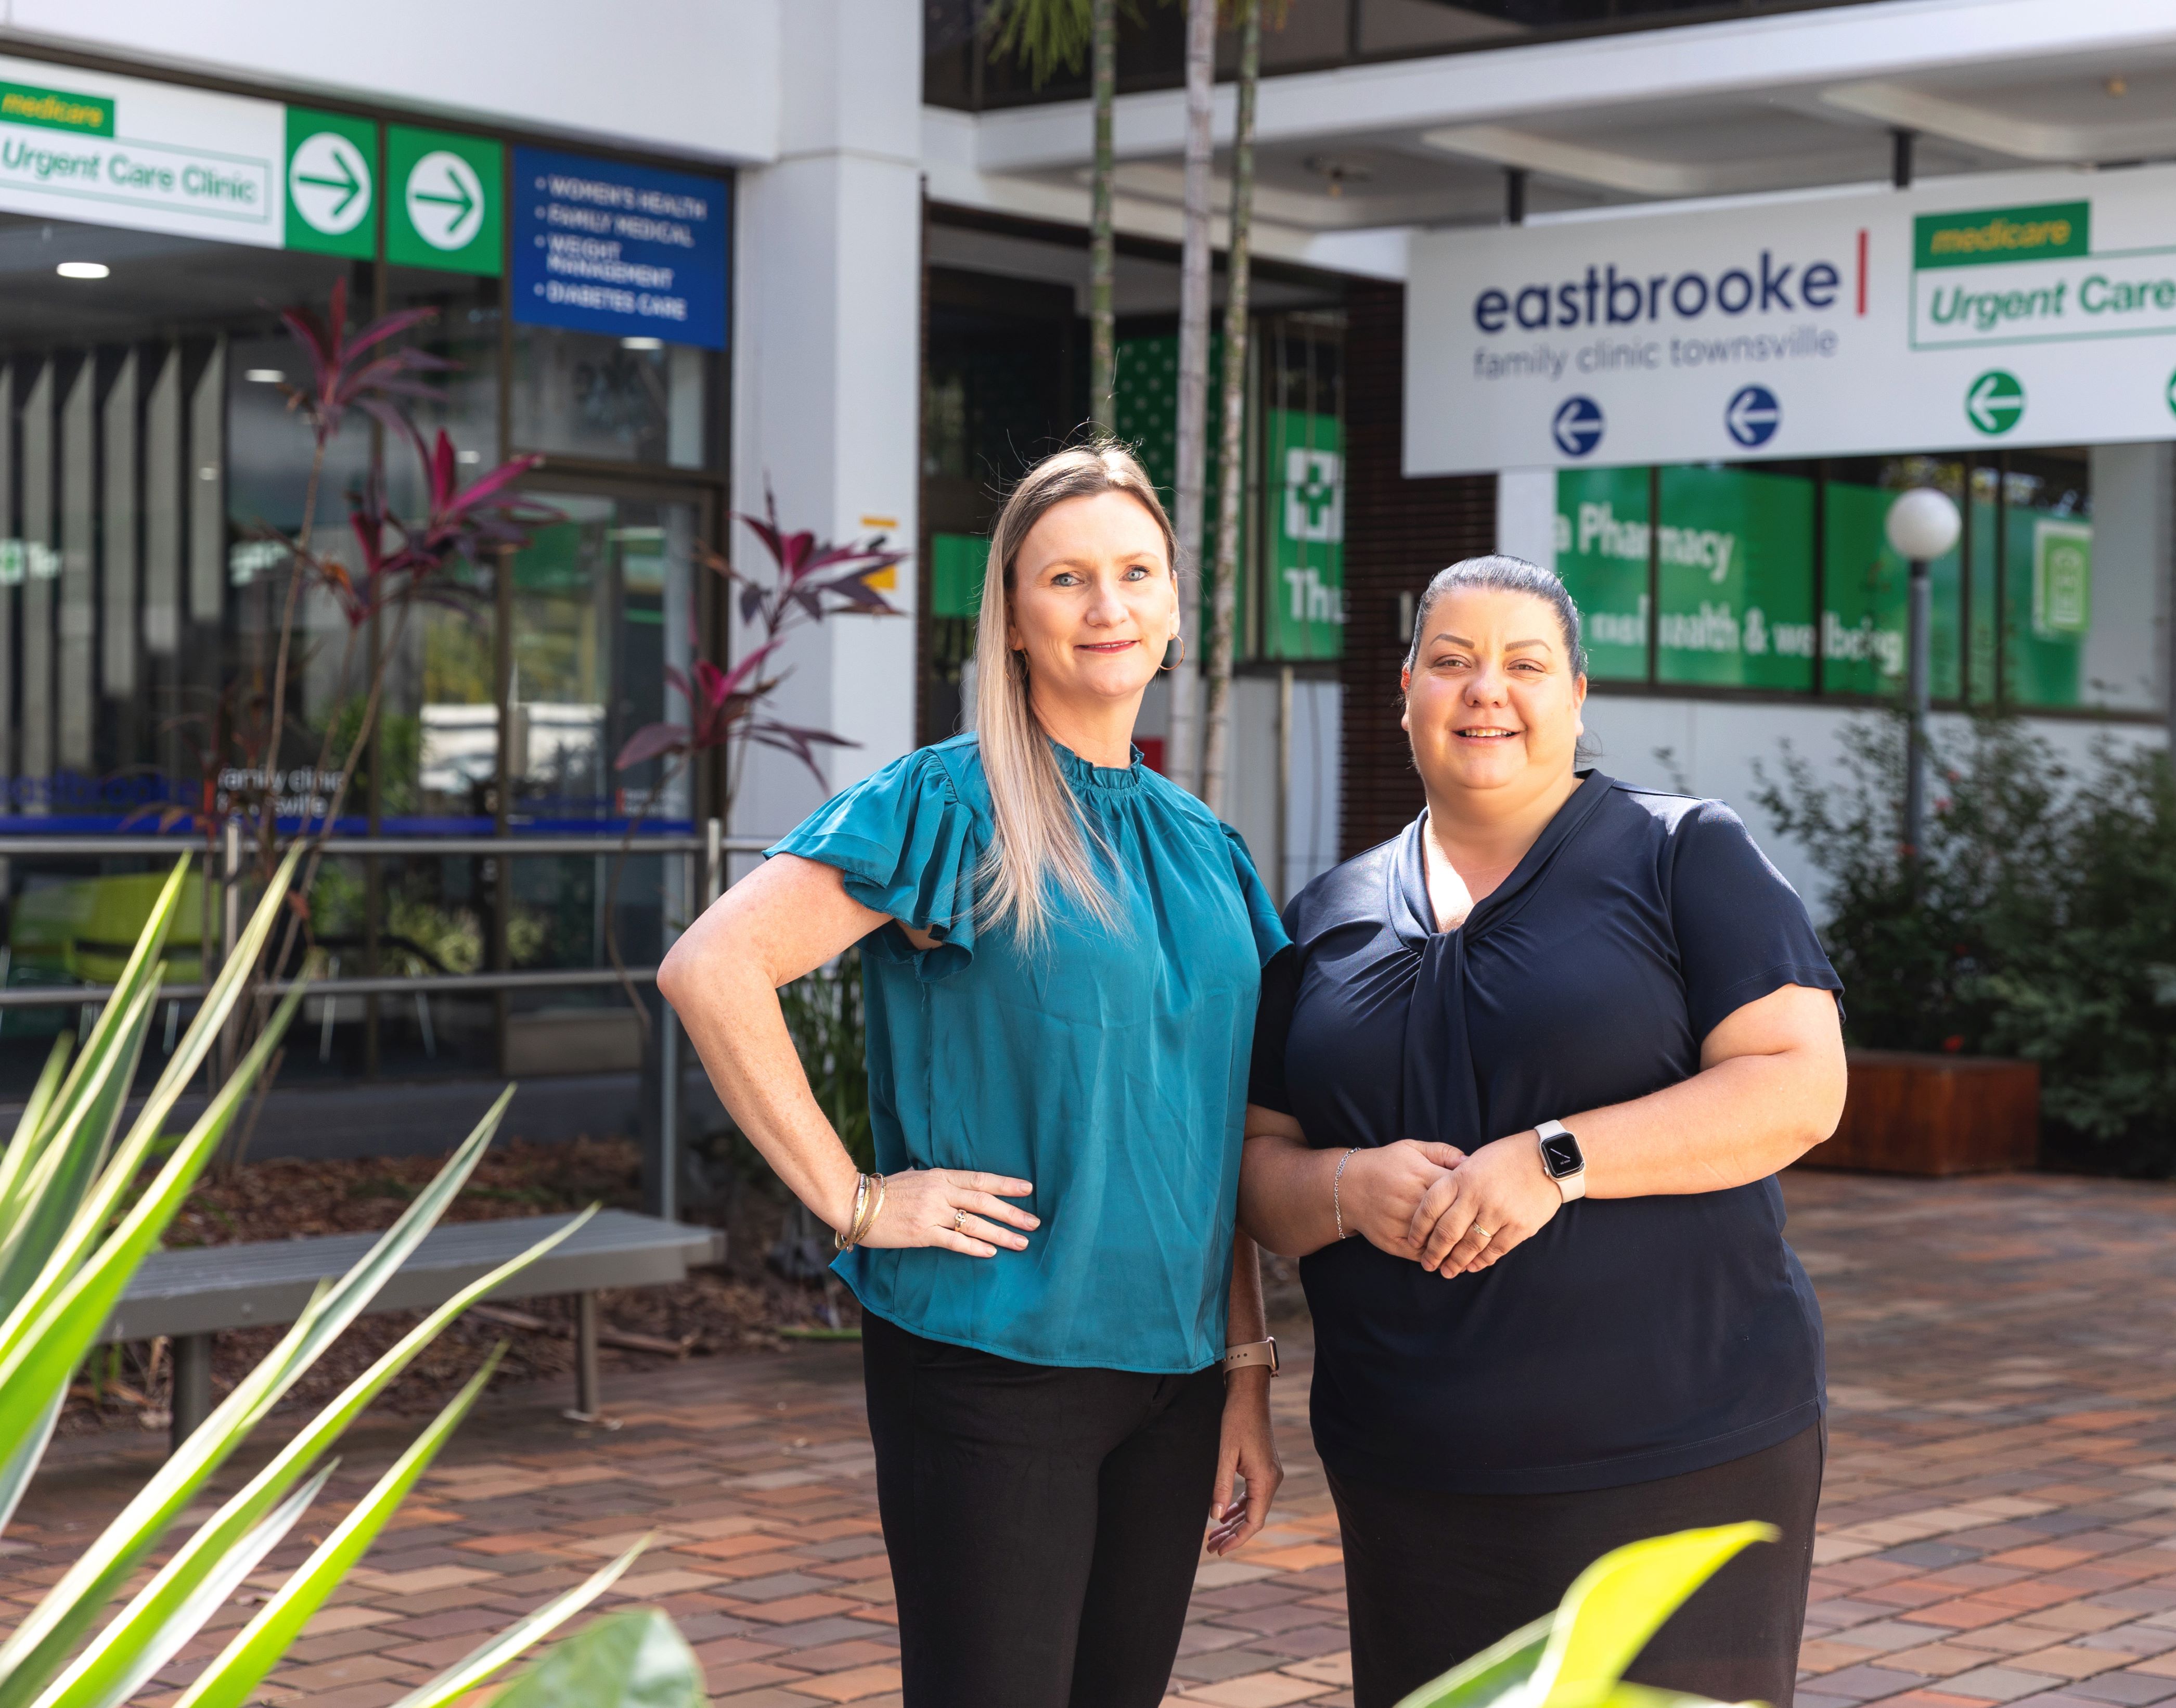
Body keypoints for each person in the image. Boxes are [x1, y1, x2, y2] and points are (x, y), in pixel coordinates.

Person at [659, 443, 1290, 1708]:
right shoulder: (950, 803)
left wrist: (1246, 1372)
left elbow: (1207, 1122)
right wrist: (857, 1200)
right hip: (997, 1365)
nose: (1106, 605)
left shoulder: (1207, 845)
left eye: (1134, 574)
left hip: (1173, 1380)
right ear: (1010, 613)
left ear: (1173, 605)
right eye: (1067, 577)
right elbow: (711, 966)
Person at [1237, 554, 1847, 1708]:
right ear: (1406, 686)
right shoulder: (1325, 915)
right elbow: (1259, 1173)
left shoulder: (1682, 854)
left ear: (1577, 694)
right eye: (1453, 663)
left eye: (1524, 664)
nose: (1487, 692)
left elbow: (1799, 1087)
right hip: (1412, 1470)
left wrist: (1556, 1159)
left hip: (1678, 1448)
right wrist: (1349, 1184)